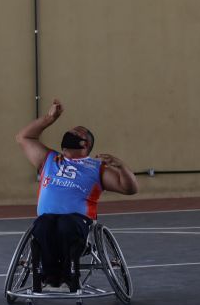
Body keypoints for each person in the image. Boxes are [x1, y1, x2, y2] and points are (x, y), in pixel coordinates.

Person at [16, 98, 139, 293]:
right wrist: (49, 119)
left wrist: (121, 166)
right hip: (47, 219)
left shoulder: (98, 168)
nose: (70, 134)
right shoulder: (49, 159)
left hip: (78, 222)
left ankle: (68, 277)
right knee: (43, 225)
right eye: (70, 132)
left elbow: (130, 188)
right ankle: (50, 278)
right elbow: (24, 137)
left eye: (76, 133)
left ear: (86, 143)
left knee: (65, 226)